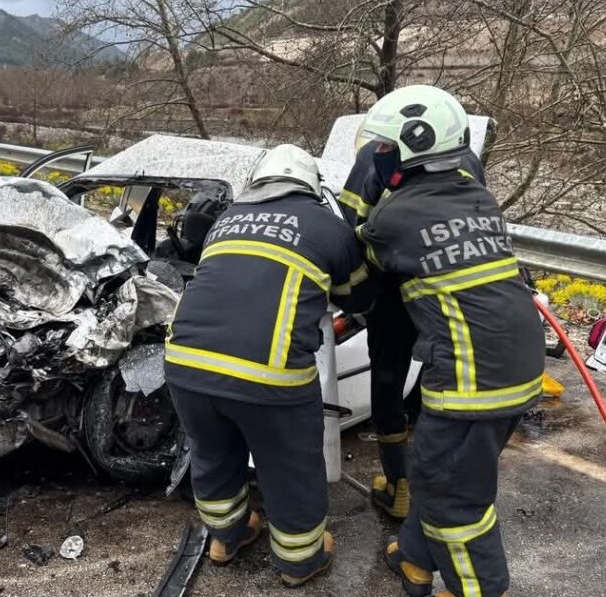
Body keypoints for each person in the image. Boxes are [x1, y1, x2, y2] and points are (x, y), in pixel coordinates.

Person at [356, 85, 544, 597]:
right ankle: (416, 559)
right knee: (447, 471)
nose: (377, 157)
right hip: (520, 363)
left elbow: (357, 281)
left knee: (447, 489)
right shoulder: (479, 195)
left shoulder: (392, 219)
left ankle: (480, 586)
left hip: (471, 378)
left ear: (412, 148)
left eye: (384, 148)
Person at [164, 144, 374, 587]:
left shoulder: (225, 221)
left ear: (257, 183)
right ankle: (300, 560)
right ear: (310, 185)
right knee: (290, 464)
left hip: (185, 363)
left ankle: (226, 537)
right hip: (269, 374)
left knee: (214, 451)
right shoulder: (328, 226)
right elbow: (359, 299)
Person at [338, 110, 488, 522]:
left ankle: (399, 483)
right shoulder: (466, 157)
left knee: (387, 375)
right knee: (446, 370)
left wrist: (351, 294)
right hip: (451, 286)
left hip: (393, 287)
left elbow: (351, 226)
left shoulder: (371, 155)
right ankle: (440, 478)